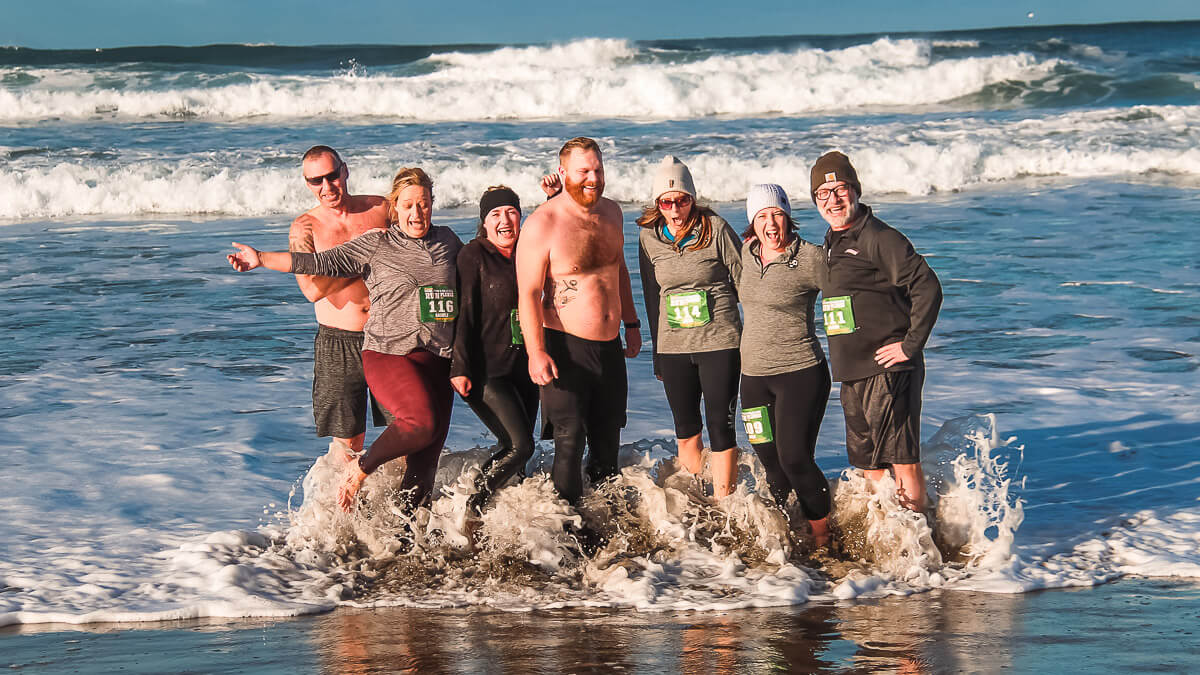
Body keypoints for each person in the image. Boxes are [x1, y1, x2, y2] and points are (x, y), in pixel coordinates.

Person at [227, 167, 463, 512]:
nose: (417, 213)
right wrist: (261, 258)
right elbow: (318, 262)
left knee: (424, 460)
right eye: (409, 205)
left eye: (424, 204)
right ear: (394, 208)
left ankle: (409, 540)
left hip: (438, 356)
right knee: (420, 424)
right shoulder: (378, 243)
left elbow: (482, 266)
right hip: (390, 353)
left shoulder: (448, 241)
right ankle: (358, 470)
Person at [811, 151, 942, 512]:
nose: (833, 200)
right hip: (854, 373)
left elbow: (927, 287)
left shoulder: (879, 236)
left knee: (902, 460)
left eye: (840, 190)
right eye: (824, 194)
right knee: (868, 463)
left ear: (855, 191)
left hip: (888, 369)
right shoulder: (833, 240)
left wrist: (910, 345)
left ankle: (920, 544)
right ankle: (890, 538)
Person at [515, 137, 642, 505]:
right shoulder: (543, 223)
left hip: (609, 346)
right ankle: (566, 529)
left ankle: (604, 522)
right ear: (563, 172)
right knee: (570, 441)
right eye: (583, 171)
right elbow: (528, 293)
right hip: (564, 346)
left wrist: (632, 325)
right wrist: (535, 352)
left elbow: (618, 272)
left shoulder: (613, 213)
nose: (592, 178)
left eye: (598, 170)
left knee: (607, 441)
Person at [637, 155, 743, 498]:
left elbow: (746, 283)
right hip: (674, 348)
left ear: (692, 199)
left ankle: (725, 501)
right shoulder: (647, 236)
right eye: (666, 202)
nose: (675, 208)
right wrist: (656, 353)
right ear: (658, 203)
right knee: (686, 430)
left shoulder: (717, 229)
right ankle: (699, 501)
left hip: (720, 342)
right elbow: (653, 295)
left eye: (682, 200)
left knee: (720, 427)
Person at [735, 184, 833, 547]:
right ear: (752, 222)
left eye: (777, 214)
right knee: (771, 464)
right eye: (762, 216)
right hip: (754, 379)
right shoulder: (744, 254)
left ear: (788, 216)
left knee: (794, 457)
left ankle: (822, 536)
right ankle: (786, 539)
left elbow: (850, 290)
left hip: (801, 374)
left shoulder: (810, 258)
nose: (771, 223)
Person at [290, 146, 391, 460]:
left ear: (344, 171)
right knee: (348, 445)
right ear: (307, 184)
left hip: (390, 334)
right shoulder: (304, 228)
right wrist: (364, 258)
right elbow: (311, 290)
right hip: (339, 340)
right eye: (315, 181)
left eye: (332, 176)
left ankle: (402, 507)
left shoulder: (381, 209)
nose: (326, 187)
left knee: (405, 432)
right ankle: (345, 509)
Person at [450, 186, 539, 514]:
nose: (505, 220)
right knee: (521, 446)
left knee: (516, 456)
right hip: (487, 371)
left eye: (511, 212)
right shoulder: (474, 255)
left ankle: (511, 528)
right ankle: (473, 508)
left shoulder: (528, 253)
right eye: (495, 214)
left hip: (524, 369)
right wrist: (459, 366)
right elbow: (465, 312)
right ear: (484, 223)